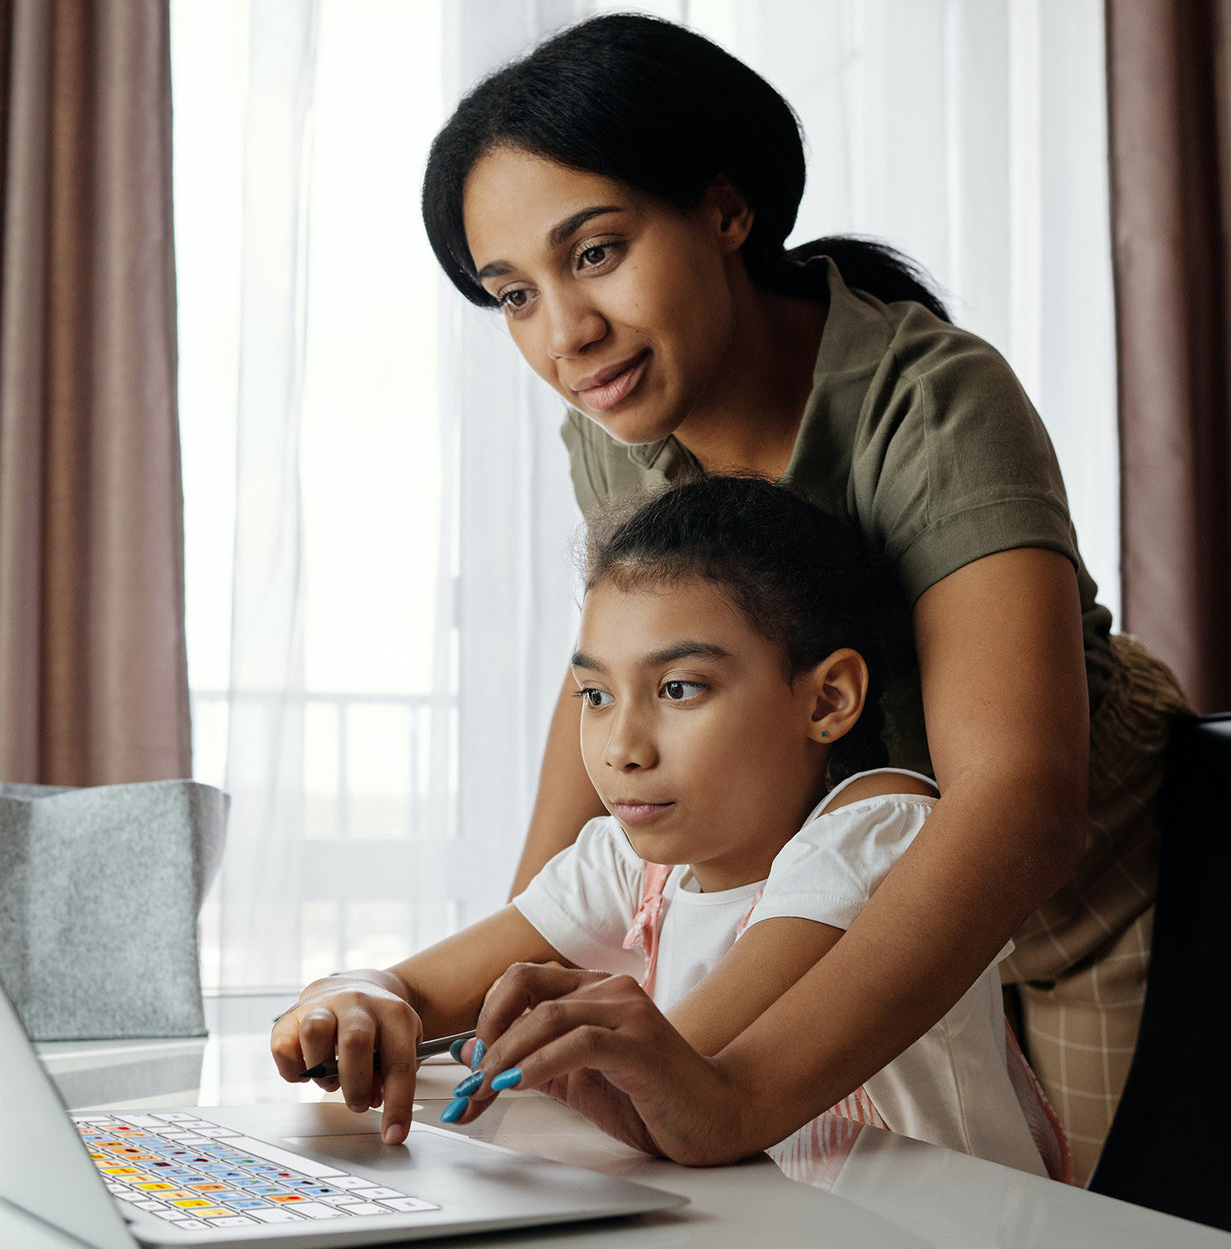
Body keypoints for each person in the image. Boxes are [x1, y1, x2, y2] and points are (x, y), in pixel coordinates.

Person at [418, 13, 1192, 1183]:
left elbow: (1018, 798)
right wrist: (516, 975)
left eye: (593, 254)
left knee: (1078, 1233)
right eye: (512, 293)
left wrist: (731, 1093)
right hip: (831, 885)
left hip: (1077, 888)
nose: (565, 335)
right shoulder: (613, 423)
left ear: (726, 210)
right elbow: (614, 674)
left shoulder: (930, 399)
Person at [272, 477, 1065, 1179]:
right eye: (595, 695)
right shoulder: (634, 864)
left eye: (680, 688)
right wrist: (353, 999)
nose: (622, 748)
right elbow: (416, 987)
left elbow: (683, 1076)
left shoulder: (878, 830)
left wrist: (536, 1044)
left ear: (827, 700)